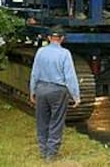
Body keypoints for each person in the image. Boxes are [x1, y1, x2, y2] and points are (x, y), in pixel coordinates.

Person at [29, 26, 81, 161]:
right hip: (58, 90)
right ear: (62, 39)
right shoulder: (65, 54)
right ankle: (51, 153)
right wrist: (76, 96)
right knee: (56, 121)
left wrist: (32, 91)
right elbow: (70, 77)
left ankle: (42, 149)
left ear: (49, 38)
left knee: (42, 120)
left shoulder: (40, 52)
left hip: (41, 89)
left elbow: (34, 73)